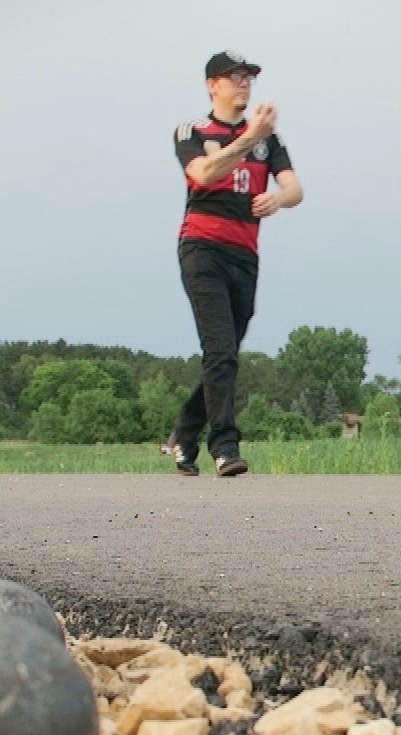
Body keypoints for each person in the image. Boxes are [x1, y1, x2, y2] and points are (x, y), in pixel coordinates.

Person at [165, 49, 303, 477]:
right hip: (202, 248)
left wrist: (277, 199)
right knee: (220, 350)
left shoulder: (269, 141)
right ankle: (225, 446)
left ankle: (183, 437)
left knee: (224, 357)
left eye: (249, 77)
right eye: (235, 76)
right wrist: (248, 137)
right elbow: (203, 174)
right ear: (213, 85)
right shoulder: (193, 130)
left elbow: (295, 188)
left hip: (245, 255)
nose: (244, 83)